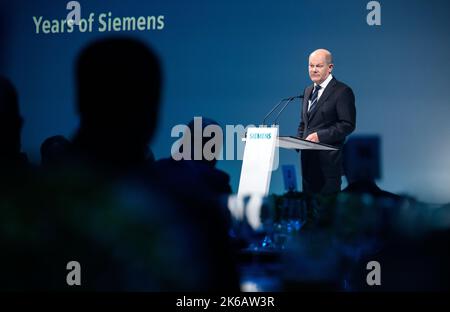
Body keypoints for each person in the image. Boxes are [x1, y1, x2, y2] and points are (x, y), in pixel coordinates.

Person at [297, 49, 356, 195]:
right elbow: (305, 123)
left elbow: (347, 124)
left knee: (326, 214)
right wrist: (298, 140)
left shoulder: (342, 91)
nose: (314, 70)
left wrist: (320, 136)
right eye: (311, 66)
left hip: (328, 167)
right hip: (308, 164)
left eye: (318, 66)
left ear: (330, 68)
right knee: (309, 212)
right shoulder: (308, 90)